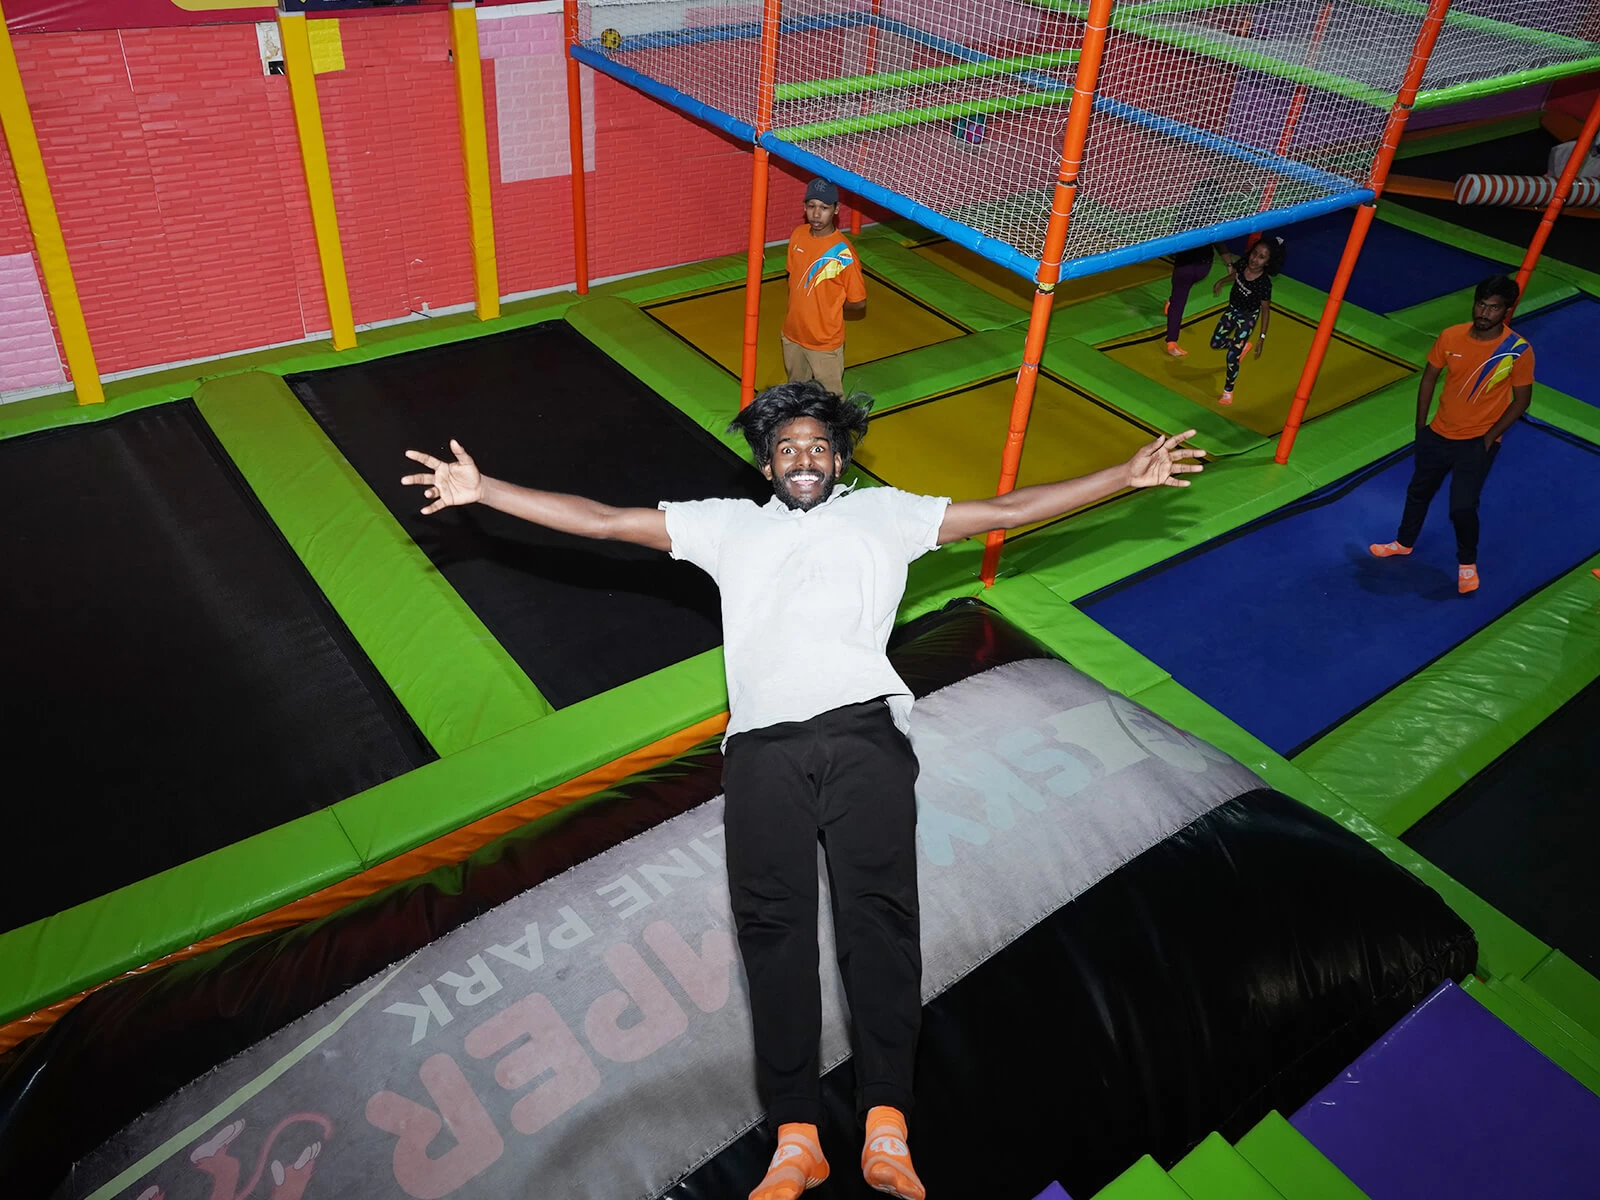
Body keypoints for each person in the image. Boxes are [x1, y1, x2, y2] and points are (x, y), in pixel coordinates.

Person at [400, 383, 1206, 1200]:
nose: (804, 459)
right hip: (761, 751)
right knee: (772, 933)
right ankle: (797, 1137)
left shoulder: (885, 515)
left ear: (840, 458)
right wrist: (487, 491)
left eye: (818, 446)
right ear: (766, 464)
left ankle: (887, 1123)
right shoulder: (727, 524)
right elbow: (607, 520)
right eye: (787, 448)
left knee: (878, 920)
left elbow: (1004, 506)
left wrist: (1120, 477)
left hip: (864, 738)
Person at [1369, 274, 1534, 595]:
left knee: (1462, 507)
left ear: (1506, 311)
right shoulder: (1450, 337)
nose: (1484, 313)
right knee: (1418, 492)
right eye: (1481, 305)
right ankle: (1403, 543)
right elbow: (1430, 378)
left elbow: (1522, 401)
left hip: (1477, 442)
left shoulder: (1517, 350)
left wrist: (1489, 439)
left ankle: (1467, 564)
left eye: (1494, 308)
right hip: (1438, 434)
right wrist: (1421, 426)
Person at [782, 178, 866, 398]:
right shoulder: (798, 235)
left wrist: (832, 307)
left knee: (830, 403)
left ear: (836, 210)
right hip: (793, 335)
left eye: (824, 208)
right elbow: (792, 276)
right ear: (804, 208)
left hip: (824, 343)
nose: (817, 214)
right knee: (795, 396)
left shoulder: (843, 253)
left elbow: (858, 302)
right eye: (811, 206)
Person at [1208, 235, 1284, 405]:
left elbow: (1265, 310)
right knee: (1215, 343)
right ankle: (1241, 346)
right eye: (1254, 254)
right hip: (1232, 310)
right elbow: (1235, 275)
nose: (1255, 259)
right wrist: (1222, 281)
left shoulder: (1264, 284)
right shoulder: (1243, 264)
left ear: (1268, 262)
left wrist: (1261, 337)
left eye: (1261, 257)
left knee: (1231, 356)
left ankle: (1228, 390)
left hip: (1247, 318)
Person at [1163, 179, 1235, 358]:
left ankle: (1172, 329)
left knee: (1179, 297)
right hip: (1194, 266)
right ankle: (1171, 336)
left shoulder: (1201, 218)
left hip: (1193, 267)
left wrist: (1229, 265)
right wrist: (1229, 265)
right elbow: (1219, 245)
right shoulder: (1196, 218)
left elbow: (1219, 243)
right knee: (1179, 299)